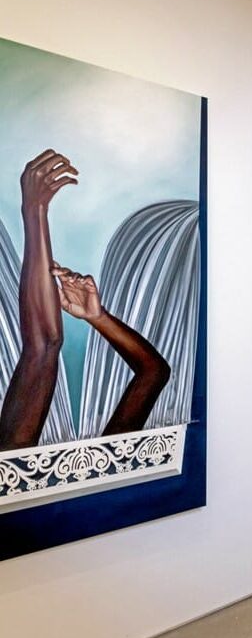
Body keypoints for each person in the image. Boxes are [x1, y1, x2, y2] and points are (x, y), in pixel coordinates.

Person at [0, 149, 170, 449]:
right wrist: (97, 316)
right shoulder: (108, 463)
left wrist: (34, 211)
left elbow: (43, 348)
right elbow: (154, 372)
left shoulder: (11, 469)